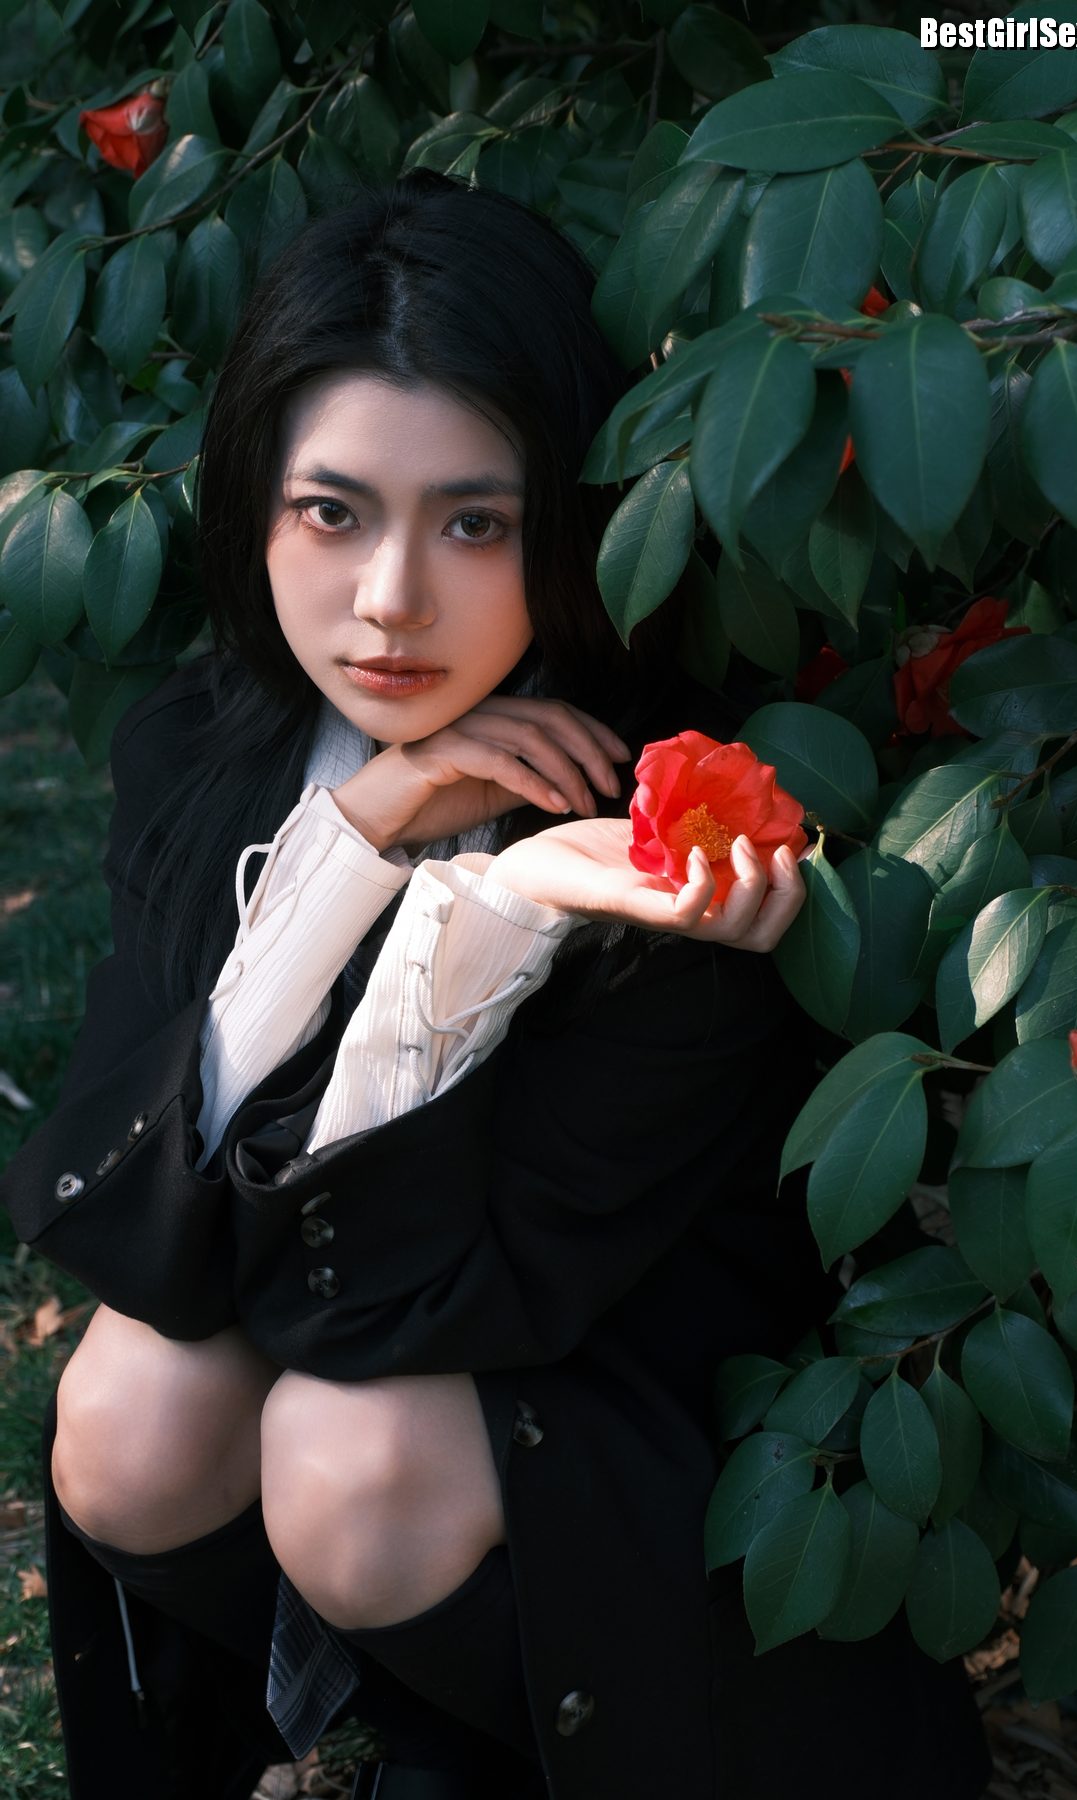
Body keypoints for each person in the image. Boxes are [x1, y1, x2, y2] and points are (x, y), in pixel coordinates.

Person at [2, 170, 993, 1800]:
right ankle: (337, 1740)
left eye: (475, 523)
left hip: (615, 1412)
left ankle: (478, 1754)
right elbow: (122, 1224)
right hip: (383, 1327)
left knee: (349, 1452)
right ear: (255, 507)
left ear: (565, 525)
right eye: (332, 513)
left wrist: (497, 904)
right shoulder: (204, 749)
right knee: (127, 1410)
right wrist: (353, 845)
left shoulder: (668, 828)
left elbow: (373, 1312)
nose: (390, 601)